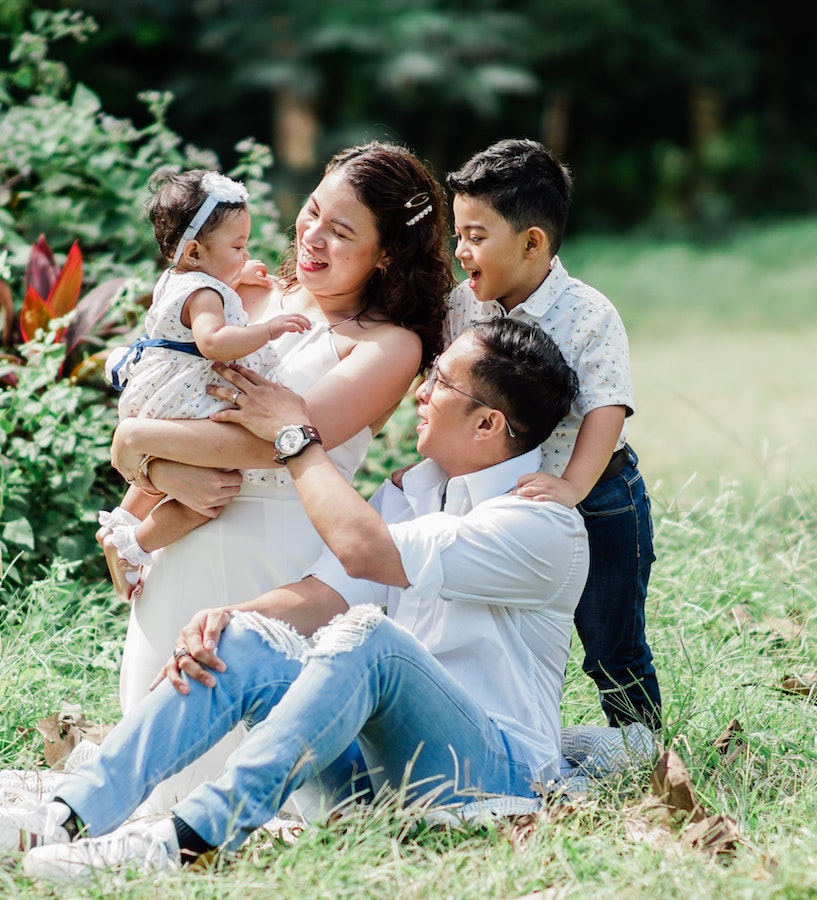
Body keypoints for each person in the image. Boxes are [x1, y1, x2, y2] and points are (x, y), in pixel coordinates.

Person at [2, 320, 598, 879]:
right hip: (379, 776)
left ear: (488, 424)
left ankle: (188, 839)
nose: (422, 389)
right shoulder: (413, 494)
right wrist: (229, 623)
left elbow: (364, 555)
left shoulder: (542, 526)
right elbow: (323, 594)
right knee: (242, 636)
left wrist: (296, 437)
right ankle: (64, 816)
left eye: (440, 380)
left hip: (494, 773)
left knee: (374, 640)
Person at [104, 141, 452, 808]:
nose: (312, 236)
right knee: (150, 777)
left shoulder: (387, 345)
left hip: (277, 564)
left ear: (386, 254)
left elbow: (270, 446)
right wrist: (129, 513)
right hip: (178, 552)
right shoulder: (244, 296)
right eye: (312, 212)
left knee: (264, 790)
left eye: (341, 231)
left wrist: (135, 439)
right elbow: (182, 396)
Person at [444, 138, 661, 730]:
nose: (460, 250)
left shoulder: (588, 313)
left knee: (610, 639)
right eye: (458, 233)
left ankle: (639, 746)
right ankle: (509, 731)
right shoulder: (464, 307)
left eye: (475, 236)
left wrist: (570, 487)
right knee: (499, 631)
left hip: (599, 497)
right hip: (506, 501)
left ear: (532, 241)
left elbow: (606, 409)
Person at [98, 168, 312, 602]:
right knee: (210, 494)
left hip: (159, 392)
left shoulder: (180, 279)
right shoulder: (206, 294)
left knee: (168, 466)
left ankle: (121, 522)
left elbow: (200, 300)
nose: (245, 252)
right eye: (237, 246)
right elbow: (213, 341)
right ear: (195, 251)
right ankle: (135, 547)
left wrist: (236, 273)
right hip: (187, 395)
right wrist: (269, 328)